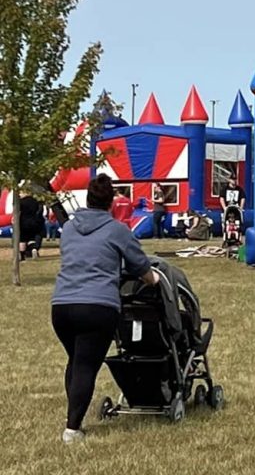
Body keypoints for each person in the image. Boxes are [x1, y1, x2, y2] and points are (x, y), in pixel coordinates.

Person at [51, 174, 158, 444]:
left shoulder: (70, 229)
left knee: (76, 361)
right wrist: (154, 280)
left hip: (62, 305)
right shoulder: (117, 230)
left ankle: (73, 419)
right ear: (111, 203)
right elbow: (141, 268)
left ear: (87, 199)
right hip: (97, 306)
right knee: (86, 365)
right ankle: (72, 429)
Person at [18, 191, 45, 260]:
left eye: (20, 193)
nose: (19, 194)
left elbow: (18, 211)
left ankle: (22, 256)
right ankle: (34, 249)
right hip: (34, 222)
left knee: (22, 239)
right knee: (31, 238)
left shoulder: (20, 202)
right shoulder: (35, 201)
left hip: (23, 222)